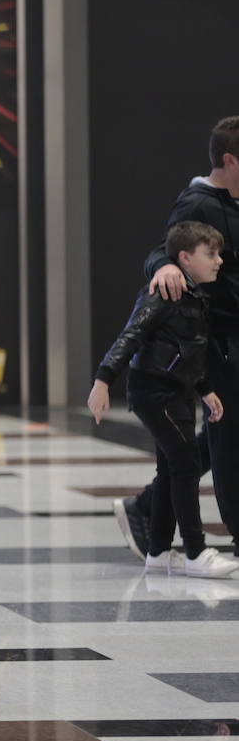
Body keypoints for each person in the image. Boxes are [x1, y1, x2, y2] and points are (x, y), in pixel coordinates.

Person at [117, 115, 239, 560]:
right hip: (219, 343)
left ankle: (148, 504)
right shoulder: (198, 202)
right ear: (229, 159)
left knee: (209, 442)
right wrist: (165, 267)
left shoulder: (232, 200)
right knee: (226, 437)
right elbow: (161, 248)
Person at [90, 223, 239, 577]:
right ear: (185, 258)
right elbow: (131, 335)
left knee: (171, 468)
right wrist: (103, 380)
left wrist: (205, 390)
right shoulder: (163, 293)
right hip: (155, 392)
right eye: (211, 254)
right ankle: (195, 552)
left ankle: (157, 552)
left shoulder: (197, 296)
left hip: (179, 391)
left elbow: (192, 351)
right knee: (186, 466)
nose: (219, 261)